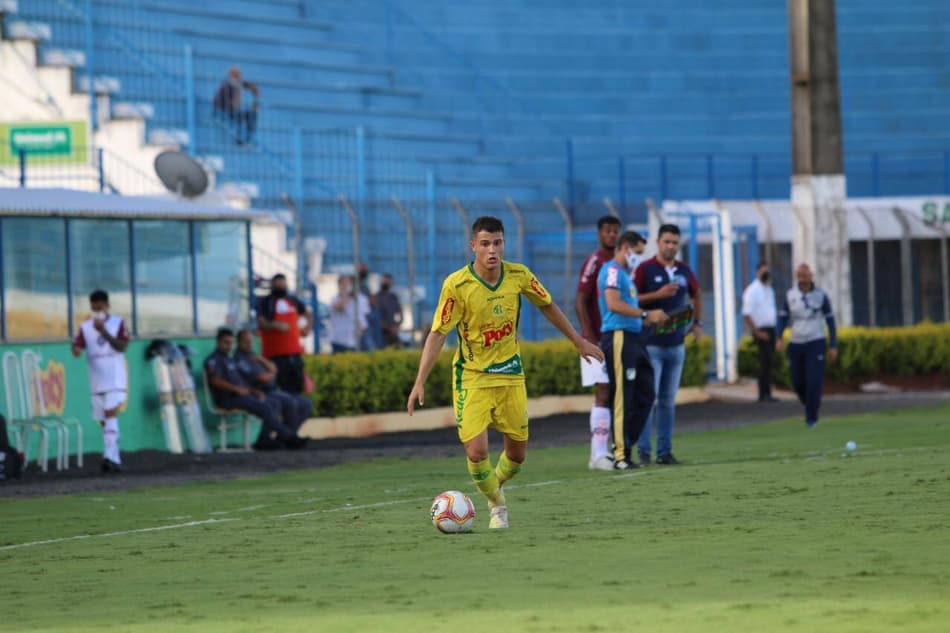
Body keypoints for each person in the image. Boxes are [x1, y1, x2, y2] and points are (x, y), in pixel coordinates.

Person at [406, 216, 603, 529]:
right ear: (473, 246)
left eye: (497, 242)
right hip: (472, 377)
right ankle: (497, 505)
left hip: (511, 375)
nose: (492, 250)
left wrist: (578, 341)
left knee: (518, 455)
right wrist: (420, 381)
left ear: (503, 243)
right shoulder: (457, 285)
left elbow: (548, 305)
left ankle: (491, 487)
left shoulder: (519, 275)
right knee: (476, 451)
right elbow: (438, 333)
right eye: (485, 244)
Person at [633, 223, 703, 465]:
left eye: (674, 242)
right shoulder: (645, 269)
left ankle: (664, 451)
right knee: (648, 400)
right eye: (666, 241)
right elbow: (632, 298)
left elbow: (696, 294)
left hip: (676, 344)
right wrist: (657, 295)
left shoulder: (684, 270)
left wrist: (697, 323)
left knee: (667, 401)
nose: (670, 246)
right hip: (651, 343)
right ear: (658, 242)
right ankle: (643, 451)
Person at [598, 232, 668, 469]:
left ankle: (626, 444)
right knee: (622, 396)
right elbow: (613, 304)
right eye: (638, 253)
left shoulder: (626, 276)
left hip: (634, 337)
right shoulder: (613, 271)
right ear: (625, 248)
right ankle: (620, 454)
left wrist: (649, 320)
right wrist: (647, 314)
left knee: (647, 392)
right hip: (619, 337)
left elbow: (628, 308)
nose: (639, 258)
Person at [204, 328, 305, 450]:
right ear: (218, 342)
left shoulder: (229, 359)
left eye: (230, 343)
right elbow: (215, 380)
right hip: (228, 398)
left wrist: (254, 391)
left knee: (272, 403)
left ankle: (266, 440)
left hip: (243, 395)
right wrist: (236, 389)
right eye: (225, 342)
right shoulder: (214, 359)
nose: (228, 346)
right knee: (265, 407)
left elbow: (241, 382)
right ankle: (289, 438)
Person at [574, 215, 621, 471]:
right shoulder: (595, 261)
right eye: (607, 231)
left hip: (614, 336)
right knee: (602, 392)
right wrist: (589, 336)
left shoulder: (618, 263)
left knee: (614, 393)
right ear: (599, 234)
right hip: (596, 339)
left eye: (615, 231)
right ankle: (597, 454)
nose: (611, 235)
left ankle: (607, 451)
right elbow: (580, 300)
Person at [71, 290, 130, 473]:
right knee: (105, 421)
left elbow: (122, 346)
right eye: (94, 308)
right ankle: (115, 458)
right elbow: (78, 347)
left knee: (110, 414)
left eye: (100, 307)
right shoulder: (86, 326)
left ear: (107, 305)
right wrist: (76, 349)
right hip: (96, 380)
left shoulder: (118, 323)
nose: (97, 310)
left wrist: (103, 331)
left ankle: (107, 456)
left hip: (115, 378)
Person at [776, 263, 838, 427]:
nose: (802, 278)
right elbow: (783, 318)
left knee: (814, 381)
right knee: (797, 382)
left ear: (811, 276)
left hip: (815, 341)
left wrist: (833, 344)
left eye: (805, 275)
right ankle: (811, 402)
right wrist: (779, 337)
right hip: (796, 342)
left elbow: (830, 321)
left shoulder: (821, 296)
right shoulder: (790, 295)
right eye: (800, 275)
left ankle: (811, 417)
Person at [233, 329, 312, 434]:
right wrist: (273, 374)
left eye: (250, 341)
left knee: (306, 403)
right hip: (261, 392)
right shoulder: (239, 359)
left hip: (273, 390)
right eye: (245, 342)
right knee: (289, 402)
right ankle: (288, 436)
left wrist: (261, 359)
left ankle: (288, 435)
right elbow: (262, 378)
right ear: (239, 343)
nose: (249, 344)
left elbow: (273, 368)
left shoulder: (253, 355)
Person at [256, 274, 312, 394]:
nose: (282, 287)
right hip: (275, 355)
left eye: (283, 284)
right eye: (278, 284)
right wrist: (275, 325)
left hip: (294, 353)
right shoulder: (266, 302)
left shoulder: (292, 300)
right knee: (279, 389)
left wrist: (307, 328)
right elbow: (261, 322)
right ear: (272, 285)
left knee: (297, 388)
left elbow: (307, 313)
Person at [742, 261, 779, 402]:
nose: (766, 275)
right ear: (757, 272)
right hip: (761, 330)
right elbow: (746, 313)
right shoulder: (752, 291)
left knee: (769, 362)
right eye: (764, 272)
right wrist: (756, 332)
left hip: (771, 328)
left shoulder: (769, 289)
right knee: (764, 361)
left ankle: (768, 392)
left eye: (767, 272)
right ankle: (763, 394)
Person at [212, 65, 259, 144]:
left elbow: (251, 87)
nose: (240, 77)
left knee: (250, 114)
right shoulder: (227, 86)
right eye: (237, 75)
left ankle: (247, 137)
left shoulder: (235, 83)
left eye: (239, 75)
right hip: (224, 111)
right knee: (244, 116)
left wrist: (255, 99)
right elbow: (225, 103)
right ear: (232, 76)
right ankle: (242, 139)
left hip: (230, 110)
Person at [328, 275, 370, 353]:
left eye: (348, 284)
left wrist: (360, 331)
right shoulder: (334, 299)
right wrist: (345, 293)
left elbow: (362, 320)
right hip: (338, 342)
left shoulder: (358, 300)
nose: (347, 286)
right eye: (344, 284)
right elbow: (341, 307)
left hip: (353, 343)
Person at [375, 273, 404, 348]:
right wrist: (387, 327)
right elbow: (375, 317)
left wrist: (397, 325)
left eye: (388, 281)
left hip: (393, 333)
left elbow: (399, 314)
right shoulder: (376, 297)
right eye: (384, 281)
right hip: (381, 334)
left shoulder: (393, 297)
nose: (386, 283)